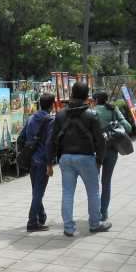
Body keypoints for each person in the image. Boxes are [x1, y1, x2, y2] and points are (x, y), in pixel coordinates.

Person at [49, 82, 110, 237]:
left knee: (67, 192)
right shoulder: (92, 114)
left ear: (71, 93)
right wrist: (99, 160)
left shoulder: (61, 114)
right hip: (86, 157)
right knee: (93, 192)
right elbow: (100, 140)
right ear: (87, 96)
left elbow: (53, 139)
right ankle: (95, 224)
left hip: (65, 158)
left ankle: (68, 228)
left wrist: (49, 161)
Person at [18, 94, 55, 231]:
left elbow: (21, 138)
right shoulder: (51, 120)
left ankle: (41, 216)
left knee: (36, 190)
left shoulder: (31, 118)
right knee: (38, 192)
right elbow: (49, 144)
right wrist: (50, 164)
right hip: (42, 160)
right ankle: (32, 222)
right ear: (52, 105)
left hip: (31, 159)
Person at [94, 92, 132, 223]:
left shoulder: (92, 111)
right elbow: (128, 127)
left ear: (96, 100)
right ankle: (104, 213)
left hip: (96, 152)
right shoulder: (113, 109)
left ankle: (95, 212)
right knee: (106, 182)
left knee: (94, 183)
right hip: (112, 150)